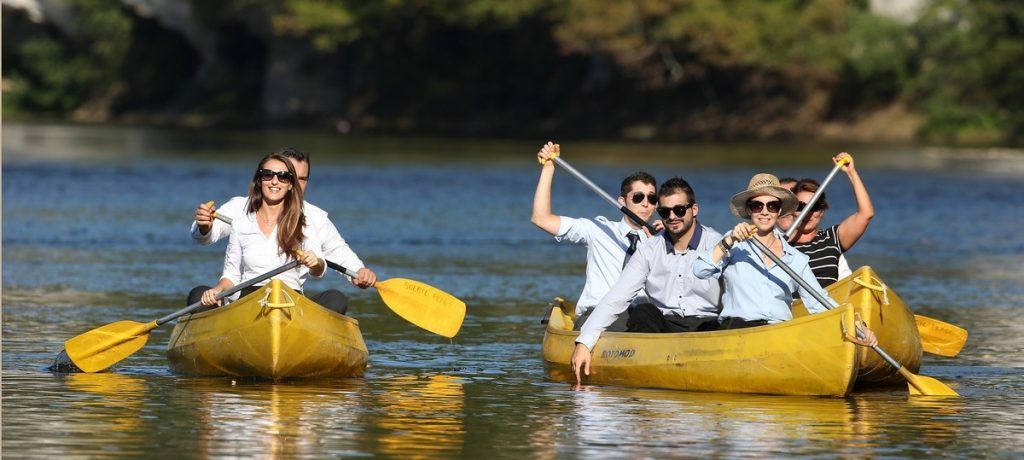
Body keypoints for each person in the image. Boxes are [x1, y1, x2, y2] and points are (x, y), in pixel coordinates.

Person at [570, 178, 723, 383]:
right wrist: (584, 343)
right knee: (643, 312)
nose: (672, 217)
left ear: (694, 209)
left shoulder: (718, 243)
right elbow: (617, 298)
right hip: (664, 327)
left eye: (679, 210)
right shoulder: (649, 249)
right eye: (664, 212)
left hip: (709, 327)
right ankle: (641, 387)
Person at [693, 173, 877, 339]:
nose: (765, 211)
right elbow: (700, 270)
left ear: (779, 211)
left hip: (778, 334)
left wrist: (859, 327)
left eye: (772, 206)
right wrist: (729, 241)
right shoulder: (733, 244)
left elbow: (820, 302)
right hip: (738, 331)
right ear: (749, 210)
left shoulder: (795, 258)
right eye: (757, 205)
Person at [190, 147, 376, 311]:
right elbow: (207, 239)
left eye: (296, 178)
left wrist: (359, 272)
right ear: (262, 178)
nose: (277, 182)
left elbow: (333, 257)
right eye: (271, 175)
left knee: (336, 299)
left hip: (291, 300)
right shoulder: (241, 212)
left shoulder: (312, 218)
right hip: (246, 299)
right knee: (198, 295)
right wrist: (205, 226)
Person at [531, 141, 661, 330]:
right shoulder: (599, 229)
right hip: (597, 313)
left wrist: (667, 242)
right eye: (638, 197)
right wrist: (549, 167)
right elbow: (541, 219)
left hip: (641, 317)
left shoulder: (662, 240)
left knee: (649, 315)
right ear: (622, 202)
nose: (645, 204)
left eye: (652, 198)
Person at [788, 152, 873, 287]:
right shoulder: (780, 244)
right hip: (797, 305)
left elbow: (866, 214)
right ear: (791, 211)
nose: (807, 213)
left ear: (821, 211)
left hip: (831, 303)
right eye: (800, 206)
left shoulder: (831, 238)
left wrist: (851, 172)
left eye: (814, 206)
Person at [776, 176, 852, 280]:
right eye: (779, 202)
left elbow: (846, 281)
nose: (785, 207)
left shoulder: (828, 242)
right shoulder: (765, 241)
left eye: (798, 204)